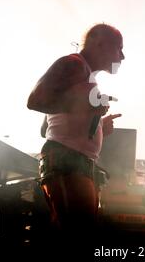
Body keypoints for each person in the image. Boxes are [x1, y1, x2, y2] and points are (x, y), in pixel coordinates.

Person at [27, 23, 124, 240]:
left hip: (71, 160)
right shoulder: (74, 64)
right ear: (100, 44)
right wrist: (87, 107)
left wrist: (97, 124)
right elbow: (35, 100)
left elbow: (47, 128)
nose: (123, 56)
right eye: (119, 48)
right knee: (78, 235)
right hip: (66, 160)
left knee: (70, 233)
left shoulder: (85, 75)